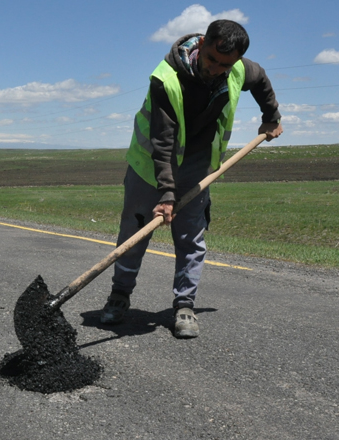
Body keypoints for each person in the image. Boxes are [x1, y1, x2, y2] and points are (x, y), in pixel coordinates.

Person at [101, 20, 283, 338]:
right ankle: (119, 297)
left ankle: (185, 306)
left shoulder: (239, 69)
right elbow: (164, 139)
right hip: (149, 167)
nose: (216, 69)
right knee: (134, 235)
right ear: (201, 45)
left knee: (191, 240)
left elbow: (261, 79)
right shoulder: (167, 79)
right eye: (212, 60)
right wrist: (167, 194)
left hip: (198, 169)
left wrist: (271, 116)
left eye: (226, 64)